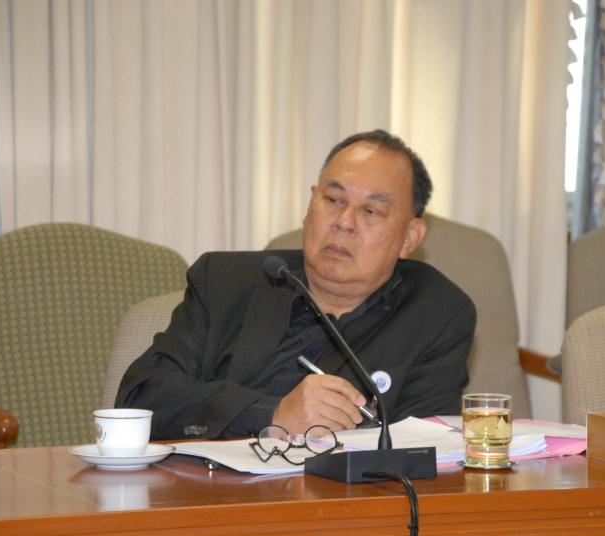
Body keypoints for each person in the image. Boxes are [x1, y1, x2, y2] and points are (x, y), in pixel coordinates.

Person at [116, 129, 476, 439]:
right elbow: (140, 398)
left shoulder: (436, 313)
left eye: (370, 211)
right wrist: (270, 415)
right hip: (208, 491)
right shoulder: (224, 282)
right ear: (310, 204)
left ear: (410, 237)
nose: (343, 222)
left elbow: (421, 448)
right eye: (333, 200)